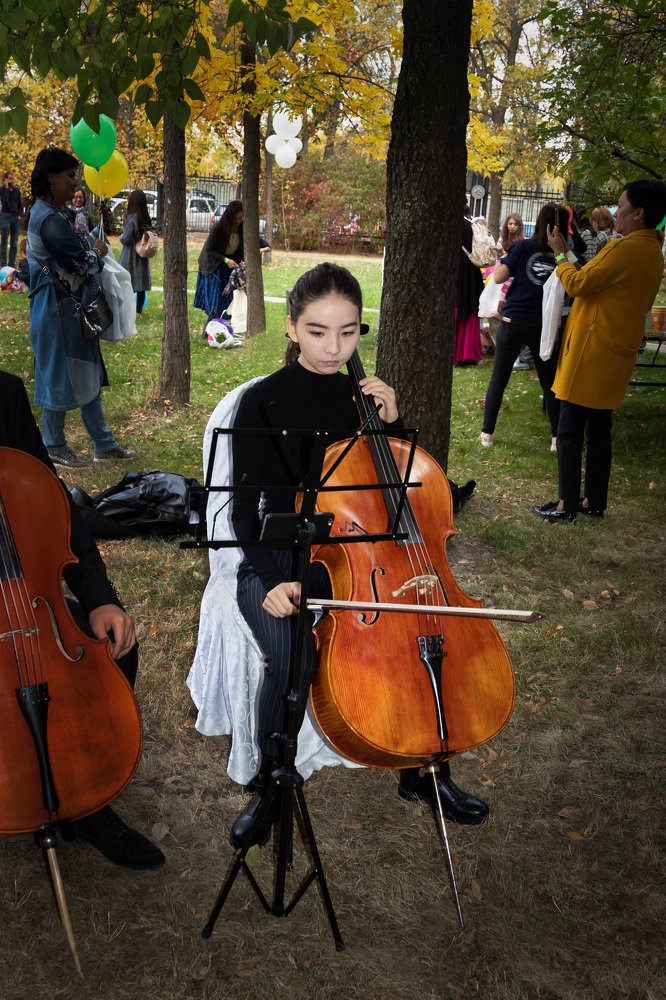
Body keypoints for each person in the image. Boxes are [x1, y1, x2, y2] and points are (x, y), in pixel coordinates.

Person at [228, 262, 488, 849]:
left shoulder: (366, 400)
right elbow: (243, 511)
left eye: (348, 333)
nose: (334, 347)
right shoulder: (263, 403)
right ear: (292, 328)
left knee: (420, 639)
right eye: (318, 331)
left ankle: (424, 770)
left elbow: (410, 490)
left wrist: (398, 425)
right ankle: (272, 781)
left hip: (364, 557)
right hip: (279, 555)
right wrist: (268, 577)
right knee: (292, 657)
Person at [0, 369, 164, 869]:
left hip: (27, 596)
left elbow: (52, 505)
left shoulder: (4, 393)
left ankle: (85, 799)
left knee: (112, 645)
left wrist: (100, 599)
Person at [533, 180, 666, 523]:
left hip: (594, 350)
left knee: (569, 428)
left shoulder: (624, 248)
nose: (614, 210)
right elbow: (593, 280)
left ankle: (566, 506)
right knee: (599, 427)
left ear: (638, 213)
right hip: (617, 349)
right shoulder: (652, 250)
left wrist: (560, 254)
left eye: (620, 205)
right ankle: (593, 500)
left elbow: (577, 284)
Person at [27, 146, 136, 468]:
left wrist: (89, 246)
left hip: (71, 310)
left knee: (88, 373)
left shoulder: (54, 215)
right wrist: (98, 251)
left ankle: (102, 443)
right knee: (57, 376)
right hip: (57, 311)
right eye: (69, 177)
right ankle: (54, 445)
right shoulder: (49, 219)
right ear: (50, 178)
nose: (76, 184)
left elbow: (77, 249)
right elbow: (80, 265)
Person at [479, 203, 577, 451]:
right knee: (549, 381)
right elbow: (578, 276)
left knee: (499, 379)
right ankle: (556, 437)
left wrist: (503, 262)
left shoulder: (523, 247)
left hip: (513, 321)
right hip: (543, 326)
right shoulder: (564, 256)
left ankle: (486, 434)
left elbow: (499, 276)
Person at [194, 201, 270, 334]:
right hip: (214, 265)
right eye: (237, 218)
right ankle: (210, 331)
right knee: (216, 299)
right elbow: (209, 250)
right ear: (230, 216)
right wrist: (225, 260)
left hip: (230, 267)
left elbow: (264, 244)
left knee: (229, 299)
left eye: (241, 218)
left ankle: (225, 328)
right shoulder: (218, 228)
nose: (239, 221)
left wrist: (260, 250)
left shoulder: (242, 228)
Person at [454, 205, 484, 365]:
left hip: (458, 270)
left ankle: (457, 352)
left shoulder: (453, 224)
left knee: (458, 309)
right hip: (471, 271)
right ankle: (467, 353)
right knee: (469, 309)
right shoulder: (471, 225)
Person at [119, 189, 153, 319]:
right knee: (140, 286)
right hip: (142, 255)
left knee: (128, 283)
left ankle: (127, 310)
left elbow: (127, 238)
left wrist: (120, 237)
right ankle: (138, 312)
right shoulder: (145, 217)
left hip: (130, 256)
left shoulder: (132, 217)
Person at [0, 170, 22, 267]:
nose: (11, 181)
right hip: (5, 217)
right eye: (9, 179)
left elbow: (20, 204)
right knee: (4, 242)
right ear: (5, 179)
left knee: (14, 243)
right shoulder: (2, 190)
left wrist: (19, 214)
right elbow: (4, 200)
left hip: (15, 218)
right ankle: (3, 263)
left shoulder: (17, 190)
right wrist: (6, 188)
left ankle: (11, 263)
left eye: (12, 179)